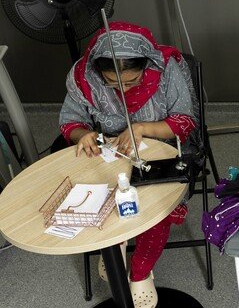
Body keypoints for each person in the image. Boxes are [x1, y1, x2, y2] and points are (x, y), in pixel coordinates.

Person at [58, 21, 201, 308]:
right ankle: (115, 246)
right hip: (107, 152)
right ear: (99, 71)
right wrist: (83, 134)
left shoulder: (166, 69)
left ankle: (140, 271)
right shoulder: (84, 77)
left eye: (131, 81)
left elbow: (184, 121)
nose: (122, 89)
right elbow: (71, 122)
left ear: (146, 65)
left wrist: (142, 128)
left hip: (162, 148)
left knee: (153, 208)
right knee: (98, 198)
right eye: (113, 83)